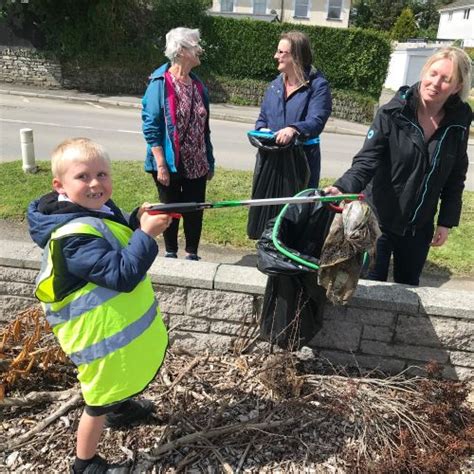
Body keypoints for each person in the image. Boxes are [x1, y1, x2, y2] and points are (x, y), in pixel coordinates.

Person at [27, 138, 172, 473]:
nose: (96, 184)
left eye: (103, 174)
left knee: (117, 381)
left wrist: (136, 219)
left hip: (113, 330)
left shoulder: (93, 209)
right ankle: (86, 462)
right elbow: (121, 274)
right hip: (97, 339)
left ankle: (120, 408)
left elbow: (113, 237)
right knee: (97, 399)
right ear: (59, 185)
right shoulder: (73, 237)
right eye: (84, 177)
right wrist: (146, 236)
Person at [325, 47, 472, 286]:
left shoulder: (459, 121)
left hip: (419, 227)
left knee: (408, 288)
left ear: (457, 86)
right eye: (433, 73)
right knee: (371, 288)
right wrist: (342, 187)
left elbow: (455, 175)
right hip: (378, 222)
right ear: (424, 72)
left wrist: (446, 220)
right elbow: (366, 161)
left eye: (446, 79)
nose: (435, 83)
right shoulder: (393, 112)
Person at [142, 27, 215, 261]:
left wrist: (209, 160)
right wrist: (161, 163)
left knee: (195, 210)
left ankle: (192, 254)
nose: (200, 49)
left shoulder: (197, 85)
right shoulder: (159, 83)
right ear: (182, 50)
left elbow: (204, 128)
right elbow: (151, 125)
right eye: (195, 46)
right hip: (169, 163)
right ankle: (171, 253)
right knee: (170, 211)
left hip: (197, 162)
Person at [255, 30, 332, 188]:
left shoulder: (318, 86)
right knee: (266, 209)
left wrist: (293, 129)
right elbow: (263, 117)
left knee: (294, 211)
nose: (276, 56)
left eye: (281, 52)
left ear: (296, 56)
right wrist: (261, 129)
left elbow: (316, 121)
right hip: (270, 160)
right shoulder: (275, 85)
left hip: (300, 163)